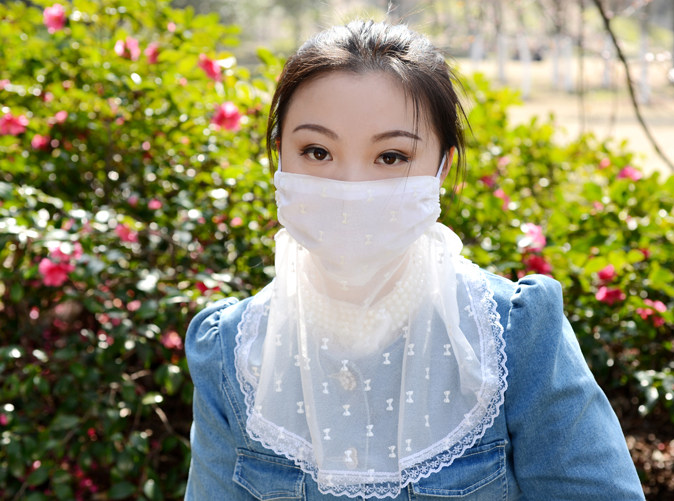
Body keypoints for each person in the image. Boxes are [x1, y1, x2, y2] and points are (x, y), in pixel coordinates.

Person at [185, 20, 645, 500]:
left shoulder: (512, 335)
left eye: (391, 157)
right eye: (317, 152)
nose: (352, 188)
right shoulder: (232, 352)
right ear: (279, 155)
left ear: (442, 167)